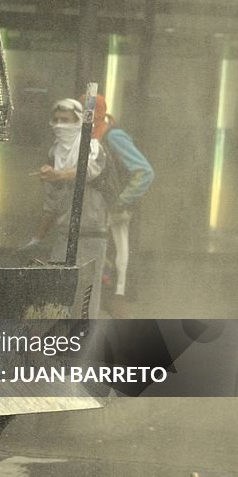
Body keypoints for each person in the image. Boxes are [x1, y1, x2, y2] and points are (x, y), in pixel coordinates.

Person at [22, 98, 108, 319]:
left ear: (79, 121)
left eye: (66, 120)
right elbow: (50, 203)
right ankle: (57, 343)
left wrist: (58, 174)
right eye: (57, 120)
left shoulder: (92, 147)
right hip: (63, 235)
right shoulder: (54, 153)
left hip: (91, 234)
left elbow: (86, 171)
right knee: (57, 295)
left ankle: (83, 344)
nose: (60, 125)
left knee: (86, 298)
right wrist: (37, 238)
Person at [89, 96, 154, 318]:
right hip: (96, 221)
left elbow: (144, 172)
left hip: (114, 221)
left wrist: (120, 202)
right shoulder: (89, 138)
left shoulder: (113, 136)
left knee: (117, 287)